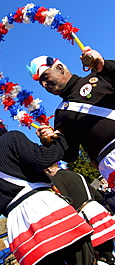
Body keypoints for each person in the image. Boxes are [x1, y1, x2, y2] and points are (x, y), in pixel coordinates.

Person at [0, 107, 105, 265]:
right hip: (43, 208)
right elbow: (41, 160)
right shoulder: (11, 138)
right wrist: (61, 139)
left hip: (19, 225)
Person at [27, 47, 115, 188]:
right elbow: (70, 155)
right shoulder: (61, 113)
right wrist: (51, 140)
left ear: (60, 68)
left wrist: (104, 65)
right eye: (41, 83)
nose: (44, 85)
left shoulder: (99, 76)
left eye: (45, 77)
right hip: (109, 165)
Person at [44, 164, 115, 265]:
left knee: (94, 257)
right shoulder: (77, 175)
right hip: (96, 209)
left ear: (48, 169)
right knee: (108, 251)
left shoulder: (56, 181)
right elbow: (98, 195)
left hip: (85, 215)